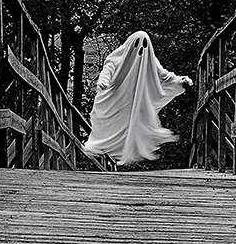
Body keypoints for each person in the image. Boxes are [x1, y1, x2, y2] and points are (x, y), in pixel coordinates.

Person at [82, 31, 193, 166]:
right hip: (115, 100)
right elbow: (107, 71)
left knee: (131, 125)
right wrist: (103, 82)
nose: (141, 49)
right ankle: (105, 153)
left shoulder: (149, 59)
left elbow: (165, 76)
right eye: (137, 44)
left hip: (133, 103)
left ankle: (118, 157)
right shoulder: (116, 58)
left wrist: (181, 81)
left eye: (145, 45)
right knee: (111, 128)